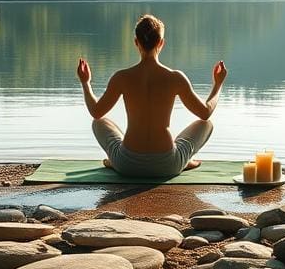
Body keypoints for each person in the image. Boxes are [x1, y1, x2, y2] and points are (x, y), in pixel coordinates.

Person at [76, 14, 227, 177]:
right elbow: (205, 113)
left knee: (99, 122)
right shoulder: (175, 77)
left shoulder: (122, 77)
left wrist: (86, 83)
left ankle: (114, 161)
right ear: (161, 43)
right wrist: (218, 84)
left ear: (136, 42)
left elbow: (96, 112)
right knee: (206, 125)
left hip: (127, 164)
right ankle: (183, 161)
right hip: (168, 165)